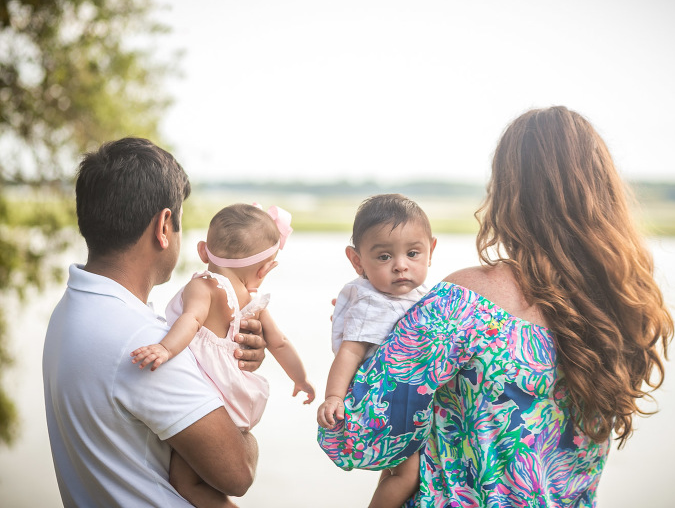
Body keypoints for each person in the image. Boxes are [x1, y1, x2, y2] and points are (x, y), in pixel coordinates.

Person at [318, 106, 675, 507]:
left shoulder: (462, 303)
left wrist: (365, 341)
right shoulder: (622, 309)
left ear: (508, 192)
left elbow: (353, 439)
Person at [43, 137, 267, 507]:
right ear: (164, 226)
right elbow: (237, 472)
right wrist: (247, 431)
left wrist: (227, 355)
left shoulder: (71, 308)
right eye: (180, 223)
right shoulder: (144, 343)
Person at [131, 202, 315, 506]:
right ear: (263, 270)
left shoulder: (204, 285)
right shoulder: (253, 302)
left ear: (203, 251)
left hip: (209, 395)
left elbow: (191, 320)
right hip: (237, 396)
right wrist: (301, 379)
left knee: (185, 482)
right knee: (203, 477)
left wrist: (165, 348)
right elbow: (280, 342)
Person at [317, 194, 436, 508]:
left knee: (396, 470)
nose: (401, 266)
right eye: (384, 257)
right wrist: (333, 397)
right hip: (385, 403)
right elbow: (350, 353)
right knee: (408, 475)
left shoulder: (422, 294)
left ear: (431, 251)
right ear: (358, 262)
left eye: (413, 253)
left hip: (404, 401)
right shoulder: (373, 301)